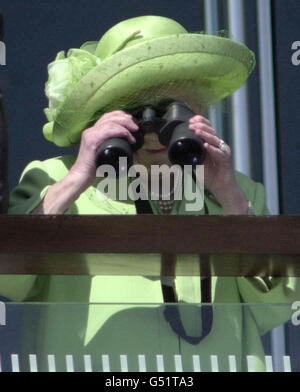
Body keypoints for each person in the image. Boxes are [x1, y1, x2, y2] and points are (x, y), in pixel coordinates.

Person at [3, 15, 299, 372]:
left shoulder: (234, 191)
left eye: (171, 111)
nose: (155, 132)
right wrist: (80, 173)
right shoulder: (53, 180)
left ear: (198, 113)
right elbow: (9, 281)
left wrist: (229, 195)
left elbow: (278, 303)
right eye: (134, 112)